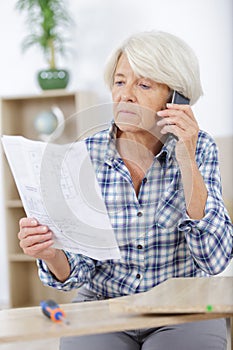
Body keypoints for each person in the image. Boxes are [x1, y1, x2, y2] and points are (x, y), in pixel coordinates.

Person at [18, 31, 232, 350]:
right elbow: (78, 271)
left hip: (183, 309)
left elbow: (214, 260)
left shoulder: (199, 149)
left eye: (143, 85)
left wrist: (186, 158)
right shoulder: (83, 155)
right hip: (104, 305)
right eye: (120, 82)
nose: (126, 95)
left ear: (177, 99)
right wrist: (50, 252)